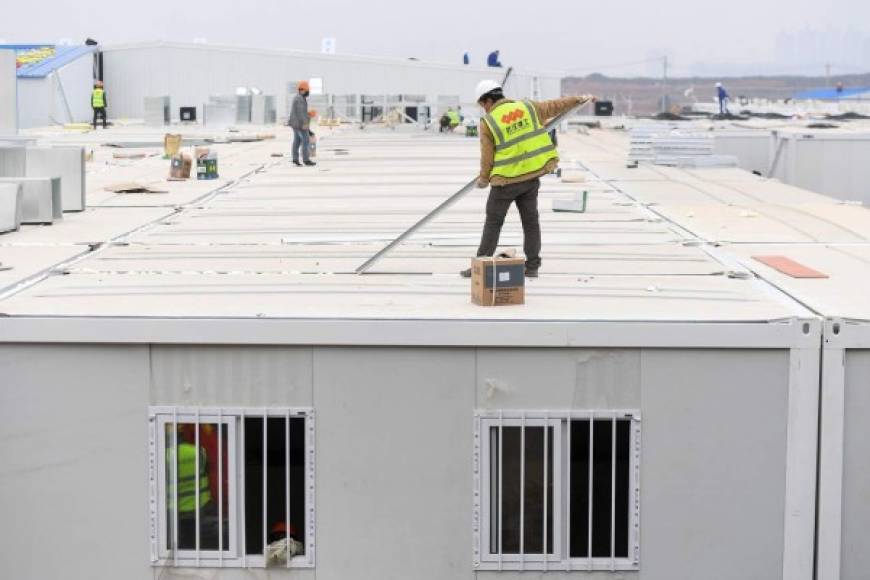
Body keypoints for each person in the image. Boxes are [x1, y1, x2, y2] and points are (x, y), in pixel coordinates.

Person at [460, 80, 594, 278]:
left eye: (483, 105)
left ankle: (480, 265)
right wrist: (579, 99)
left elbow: (487, 156)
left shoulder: (489, 122)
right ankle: (532, 267)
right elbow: (555, 105)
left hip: (504, 182)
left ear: (488, 100)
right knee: (531, 223)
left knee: (493, 223)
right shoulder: (527, 107)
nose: (483, 109)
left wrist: (483, 179)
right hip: (530, 179)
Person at [166, 424, 218, 550]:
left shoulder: (165, 455)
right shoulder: (199, 452)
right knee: (198, 546)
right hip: (200, 507)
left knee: (180, 549)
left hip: (175, 510)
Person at [288, 80, 316, 167]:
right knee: (305, 141)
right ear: (302, 90)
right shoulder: (300, 99)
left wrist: (308, 114)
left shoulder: (298, 98)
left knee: (297, 141)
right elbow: (301, 113)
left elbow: (301, 112)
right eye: (307, 91)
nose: (308, 93)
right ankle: (306, 160)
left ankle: (295, 159)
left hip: (295, 123)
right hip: (299, 124)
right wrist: (305, 124)